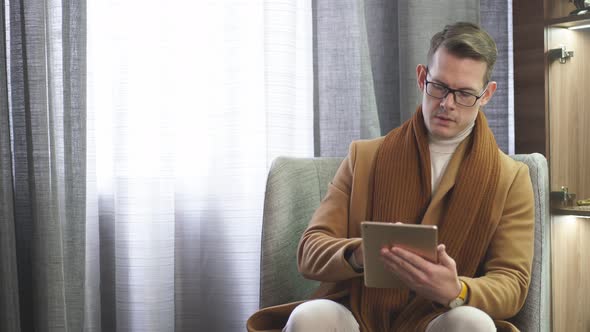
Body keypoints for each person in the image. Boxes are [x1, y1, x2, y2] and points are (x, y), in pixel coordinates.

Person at [247, 21, 534, 332]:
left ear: (487, 95)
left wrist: (457, 291)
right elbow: (310, 251)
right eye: (438, 86)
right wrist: (361, 254)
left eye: (464, 94)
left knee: (472, 323)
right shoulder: (364, 157)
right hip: (359, 312)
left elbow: (512, 283)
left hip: (439, 317)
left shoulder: (511, 178)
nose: (447, 104)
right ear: (422, 77)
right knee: (309, 317)